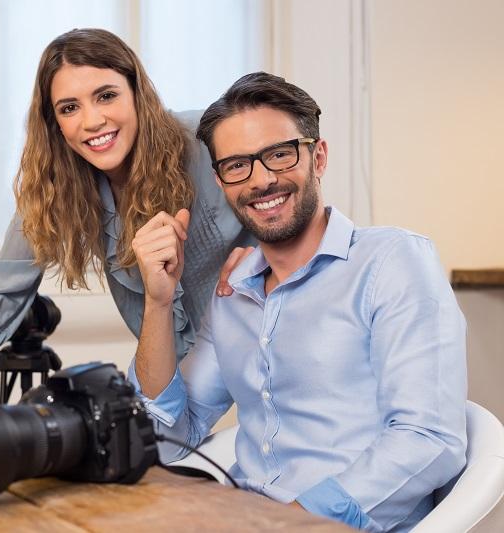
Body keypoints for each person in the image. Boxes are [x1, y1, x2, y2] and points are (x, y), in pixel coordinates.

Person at [129, 72, 467, 532]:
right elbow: (168, 437)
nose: (262, 180)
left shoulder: (391, 262)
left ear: (319, 156)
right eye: (238, 165)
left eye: (280, 155)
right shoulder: (233, 294)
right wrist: (158, 303)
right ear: (221, 180)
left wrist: (284, 524)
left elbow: (429, 438)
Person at [0, 28, 254, 407]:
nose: (92, 121)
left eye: (106, 96)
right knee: (149, 450)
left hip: (270, 339)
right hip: (181, 368)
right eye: (69, 107)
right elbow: (2, 285)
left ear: (137, 92)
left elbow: (286, 195)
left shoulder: (210, 137)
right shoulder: (56, 186)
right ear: (54, 122)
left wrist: (262, 256)